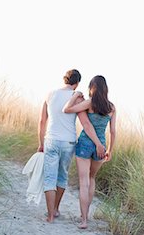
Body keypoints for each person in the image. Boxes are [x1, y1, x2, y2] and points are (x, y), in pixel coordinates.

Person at [37, 69, 106, 223]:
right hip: (68, 142)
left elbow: (42, 121)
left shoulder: (50, 94)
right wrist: (98, 143)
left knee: (49, 178)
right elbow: (86, 124)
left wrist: (41, 143)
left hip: (51, 140)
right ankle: (55, 210)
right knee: (62, 177)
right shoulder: (78, 98)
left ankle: (49, 216)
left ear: (65, 80)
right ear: (77, 83)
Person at [62, 75, 116, 229]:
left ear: (92, 88)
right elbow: (113, 132)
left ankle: (84, 219)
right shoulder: (111, 107)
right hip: (101, 146)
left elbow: (67, 109)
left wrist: (75, 96)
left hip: (85, 143)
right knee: (92, 178)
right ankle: (86, 215)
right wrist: (110, 150)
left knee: (83, 182)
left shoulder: (89, 103)